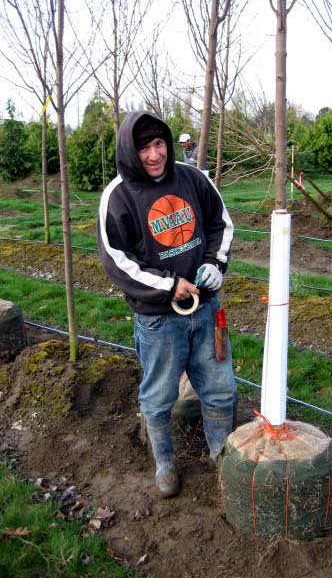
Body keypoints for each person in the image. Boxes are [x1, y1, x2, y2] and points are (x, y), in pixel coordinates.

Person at [97, 111, 236, 498]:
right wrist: (168, 285)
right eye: (144, 148)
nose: (155, 155)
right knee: (159, 396)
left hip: (207, 309)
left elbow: (220, 224)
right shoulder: (118, 196)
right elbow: (118, 260)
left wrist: (214, 264)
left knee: (221, 389)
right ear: (130, 150)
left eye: (159, 144)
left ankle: (221, 456)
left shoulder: (192, 178)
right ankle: (165, 464)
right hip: (159, 321)